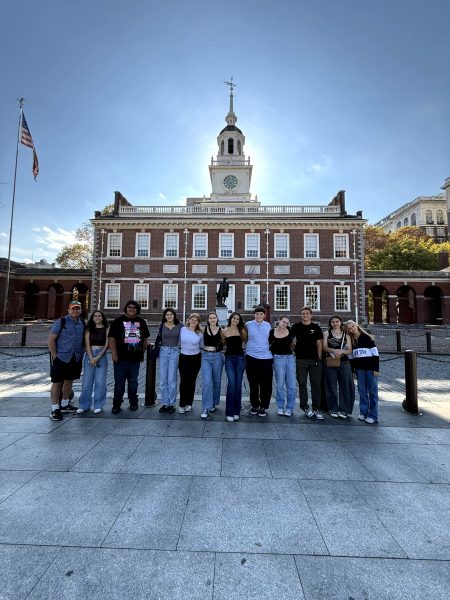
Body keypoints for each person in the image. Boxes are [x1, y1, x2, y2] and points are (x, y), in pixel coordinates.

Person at [108, 300, 150, 414]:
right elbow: (111, 338)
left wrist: (142, 352)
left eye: (134, 307)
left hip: (135, 358)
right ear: (126, 308)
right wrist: (114, 354)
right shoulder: (117, 321)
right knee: (119, 383)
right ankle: (116, 404)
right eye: (129, 307)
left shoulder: (141, 322)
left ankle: (133, 402)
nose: (132, 309)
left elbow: (145, 338)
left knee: (133, 382)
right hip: (120, 358)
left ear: (137, 310)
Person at [47, 300, 85, 421]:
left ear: (80, 310)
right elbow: (51, 339)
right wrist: (55, 356)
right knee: (57, 383)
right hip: (61, 357)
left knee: (69, 381)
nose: (75, 311)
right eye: (73, 309)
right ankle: (54, 409)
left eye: (77, 308)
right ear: (68, 310)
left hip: (76, 357)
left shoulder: (82, 323)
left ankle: (64, 404)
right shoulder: (61, 321)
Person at [290, 306, 324, 419]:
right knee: (302, 383)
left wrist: (319, 359)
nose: (305, 315)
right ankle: (305, 407)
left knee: (316, 384)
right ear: (301, 315)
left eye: (307, 313)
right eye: (303, 313)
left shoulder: (316, 327)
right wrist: (296, 351)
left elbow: (319, 344)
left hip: (315, 360)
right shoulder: (296, 327)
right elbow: (290, 341)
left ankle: (316, 408)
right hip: (301, 360)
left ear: (311, 315)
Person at [345, 320, 380, 424]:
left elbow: (375, 355)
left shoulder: (367, 338)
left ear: (357, 325)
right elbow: (351, 358)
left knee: (373, 392)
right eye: (350, 328)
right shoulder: (351, 341)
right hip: (359, 370)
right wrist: (353, 371)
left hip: (370, 369)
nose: (352, 329)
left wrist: (376, 369)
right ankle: (363, 412)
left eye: (353, 326)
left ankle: (373, 415)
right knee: (362, 391)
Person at [76, 310, 109, 414]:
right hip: (89, 355)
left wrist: (98, 357)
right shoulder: (89, 329)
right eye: (95, 316)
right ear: (92, 318)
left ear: (102, 317)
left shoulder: (107, 329)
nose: (97, 317)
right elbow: (87, 344)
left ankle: (98, 404)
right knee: (87, 381)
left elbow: (106, 345)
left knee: (100, 381)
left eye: (99, 316)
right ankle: (84, 404)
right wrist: (91, 357)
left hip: (102, 356)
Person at [322, 315, 353, 418]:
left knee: (345, 386)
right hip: (330, 362)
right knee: (331, 386)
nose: (335, 324)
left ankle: (344, 409)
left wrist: (341, 351)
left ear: (341, 322)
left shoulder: (346, 336)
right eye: (333, 322)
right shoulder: (326, 334)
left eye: (337, 322)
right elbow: (325, 347)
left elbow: (349, 350)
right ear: (330, 324)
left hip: (344, 363)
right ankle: (333, 408)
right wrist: (333, 350)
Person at [245, 306, 273, 417]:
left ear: (264, 315)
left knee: (266, 384)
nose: (259, 316)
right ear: (254, 315)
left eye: (261, 314)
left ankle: (264, 406)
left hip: (266, 358)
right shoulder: (248, 325)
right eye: (257, 314)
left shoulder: (268, 326)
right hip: (251, 358)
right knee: (253, 384)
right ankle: (254, 405)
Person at [223, 312, 248, 422]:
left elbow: (246, 343)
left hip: (240, 359)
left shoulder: (242, 331)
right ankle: (229, 412)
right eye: (234, 318)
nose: (236, 320)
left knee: (238, 385)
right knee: (231, 384)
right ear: (230, 319)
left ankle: (236, 411)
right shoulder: (224, 331)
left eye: (238, 319)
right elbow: (222, 344)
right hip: (229, 359)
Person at [158, 308, 183, 414]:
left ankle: (172, 403)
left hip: (174, 351)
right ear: (164, 316)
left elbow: (188, 333)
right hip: (163, 351)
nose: (169, 316)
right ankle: (165, 403)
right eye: (167, 314)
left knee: (172, 379)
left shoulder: (180, 325)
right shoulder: (161, 325)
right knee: (163, 380)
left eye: (171, 314)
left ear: (174, 315)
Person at [200, 311, 225, 419]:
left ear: (217, 319)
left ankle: (213, 403)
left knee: (217, 381)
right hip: (206, 357)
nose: (212, 319)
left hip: (218, 357)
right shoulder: (203, 329)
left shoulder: (221, 331)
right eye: (210, 318)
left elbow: (226, 342)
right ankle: (205, 407)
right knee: (207, 382)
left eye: (214, 318)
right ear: (208, 320)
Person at [270, 316, 296, 417]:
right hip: (277, 358)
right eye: (283, 322)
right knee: (280, 384)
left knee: (291, 385)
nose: (285, 324)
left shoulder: (290, 331)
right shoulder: (272, 332)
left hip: (289, 358)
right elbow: (269, 345)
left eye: (287, 323)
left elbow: (293, 345)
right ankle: (280, 406)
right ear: (279, 321)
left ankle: (290, 407)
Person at [178, 313, 202, 413]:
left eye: (196, 320)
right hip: (183, 357)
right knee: (184, 381)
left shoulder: (200, 333)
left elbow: (203, 345)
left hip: (195, 359)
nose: (193, 321)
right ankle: (182, 404)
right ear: (189, 320)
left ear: (198, 322)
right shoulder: (182, 329)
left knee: (191, 381)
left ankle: (189, 403)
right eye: (192, 319)